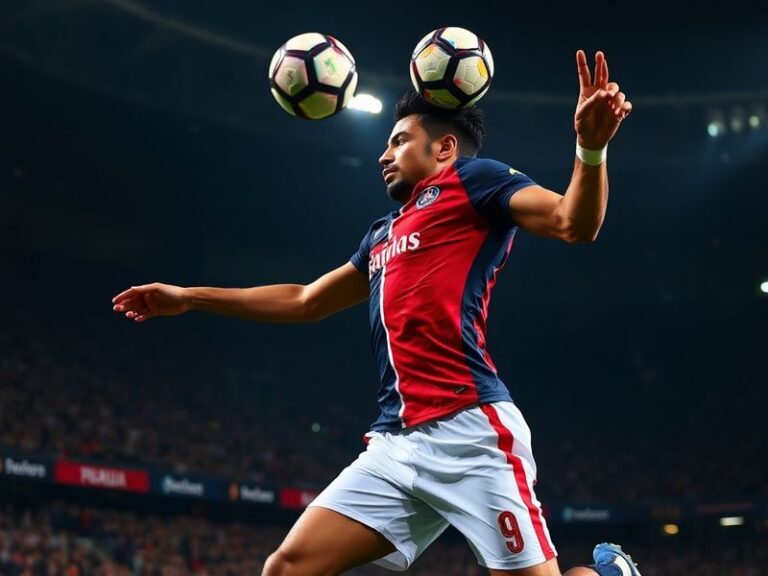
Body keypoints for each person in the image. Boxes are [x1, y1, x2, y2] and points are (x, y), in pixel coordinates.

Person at [113, 50, 636, 576]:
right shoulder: (381, 234)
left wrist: (590, 148)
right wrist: (189, 297)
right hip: (396, 443)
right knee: (286, 568)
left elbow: (574, 223)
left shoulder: (477, 180)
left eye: (399, 141)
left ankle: (610, 571)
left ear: (445, 148)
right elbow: (305, 301)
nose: (384, 155)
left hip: (471, 434)